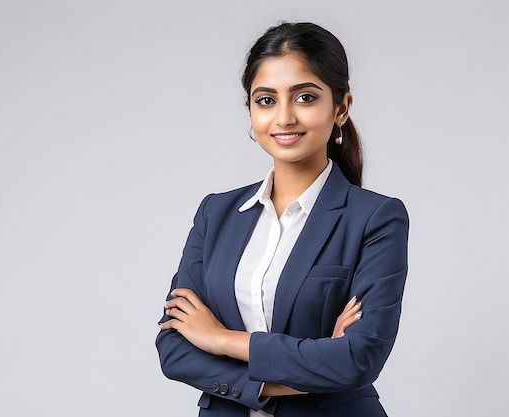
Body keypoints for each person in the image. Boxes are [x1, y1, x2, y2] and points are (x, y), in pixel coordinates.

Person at [156, 22, 408, 417]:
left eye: (305, 97)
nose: (284, 117)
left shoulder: (375, 218)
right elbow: (174, 349)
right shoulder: (216, 213)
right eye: (266, 100)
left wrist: (220, 339)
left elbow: (358, 359)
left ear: (340, 108)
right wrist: (307, 369)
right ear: (251, 111)